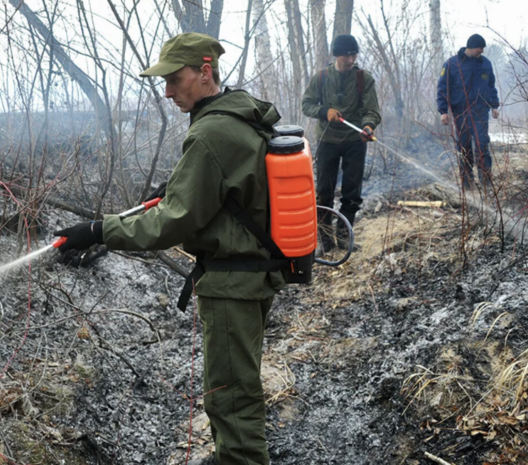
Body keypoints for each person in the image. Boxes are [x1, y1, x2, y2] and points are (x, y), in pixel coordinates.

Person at [53, 32, 285, 465]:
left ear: (205, 72)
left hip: (232, 282)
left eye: (175, 79)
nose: (167, 91)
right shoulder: (238, 114)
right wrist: (178, 186)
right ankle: (230, 456)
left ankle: (240, 460)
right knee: (233, 383)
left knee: (231, 394)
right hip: (253, 273)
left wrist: (99, 230)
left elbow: (171, 223)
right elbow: (227, 191)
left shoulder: (211, 133)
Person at [302, 34, 381, 255]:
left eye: (354, 55)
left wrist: (368, 126)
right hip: (327, 141)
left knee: (352, 192)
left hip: (355, 141)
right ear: (337, 55)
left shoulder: (364, 79)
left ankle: (344, 236)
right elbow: (306, 104)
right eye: (347, 55)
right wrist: (324, 111)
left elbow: (372, 111)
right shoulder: (321, 78)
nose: (351, 59)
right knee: (324, 191)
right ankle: (325, 240)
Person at [437, 33, 500, 189]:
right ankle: (468, 184)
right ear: (471, 47)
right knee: (464, 148)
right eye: (480, 48)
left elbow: (491, 86)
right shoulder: (452, 64)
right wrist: (443, 111)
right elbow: (443, 88)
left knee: (482, 146)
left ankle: (486, 183)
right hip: (461, 113)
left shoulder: (485, 64)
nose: (482, 51)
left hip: (480, 112)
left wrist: (494, 105)